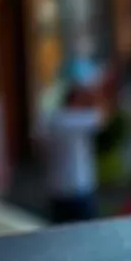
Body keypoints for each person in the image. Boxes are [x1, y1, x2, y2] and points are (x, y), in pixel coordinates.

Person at [42, 81, 105, 224]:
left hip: (56, 189)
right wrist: (95, 97)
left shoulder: (55, 118)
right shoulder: (77, 120)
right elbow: (101, 117)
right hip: (79, 188)